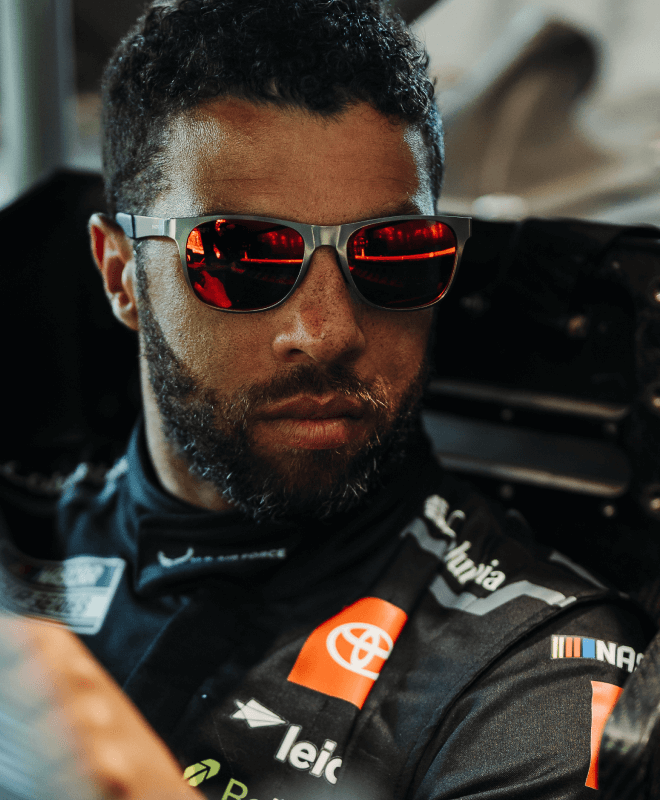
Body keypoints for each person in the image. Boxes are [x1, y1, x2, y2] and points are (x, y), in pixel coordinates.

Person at [0, 1, 653, 798]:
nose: (328, 332)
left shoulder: (527, 676)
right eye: (243, 256)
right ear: (122, 276)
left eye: (393, 253)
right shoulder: (23, 531)